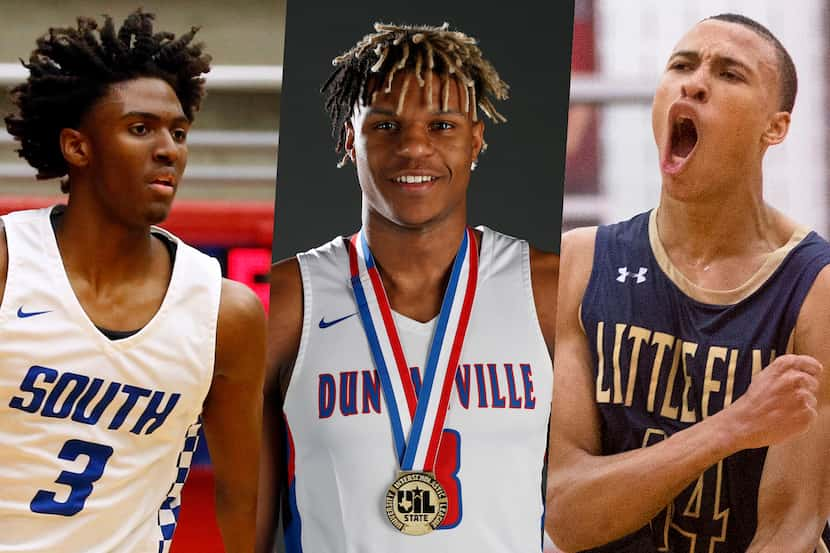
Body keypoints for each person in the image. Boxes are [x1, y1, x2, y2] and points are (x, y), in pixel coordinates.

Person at [260, 22, 558, 553]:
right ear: (349, 140)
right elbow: (249, 520)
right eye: (387, 126)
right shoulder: (289, 299)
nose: (414, 147)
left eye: (442, 125)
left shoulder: (546, 290)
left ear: (476, 140)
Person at [547, 13, 830, 553]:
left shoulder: (816, 288)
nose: (694, 82)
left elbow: (788, 532)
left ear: (776, 126)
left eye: (729, 74)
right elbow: (566, 514)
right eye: (681, 65)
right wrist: (732, 427)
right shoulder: (583, 263)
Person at [0, 11, 265, 553]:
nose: (168, 148)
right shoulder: (8, 267)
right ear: (78, 147)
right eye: (140, 128)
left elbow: (244, 498)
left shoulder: (225, 313)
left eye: (179, 132)